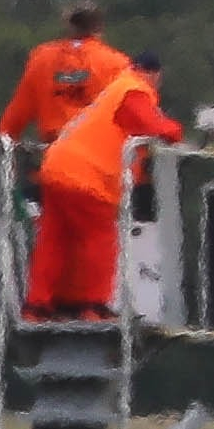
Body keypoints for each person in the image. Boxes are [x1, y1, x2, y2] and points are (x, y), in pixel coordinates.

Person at [25, 50, 185, 321]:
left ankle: (37, 307)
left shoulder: (111, 90)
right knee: (100, 239)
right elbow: (149, 124)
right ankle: (93, 306)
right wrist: (175, 133)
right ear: (154, 74)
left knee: (54, 240)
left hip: (55, 169)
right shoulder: (133, 89)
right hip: (87, 176)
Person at [0, 0, 129, 152]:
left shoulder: (42, 59)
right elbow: (131, 115)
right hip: (97, 155)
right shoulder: (117, 63)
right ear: (99, 27)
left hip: (53, 156)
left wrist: (1, 139)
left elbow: (17, 114)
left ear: (68, 23)